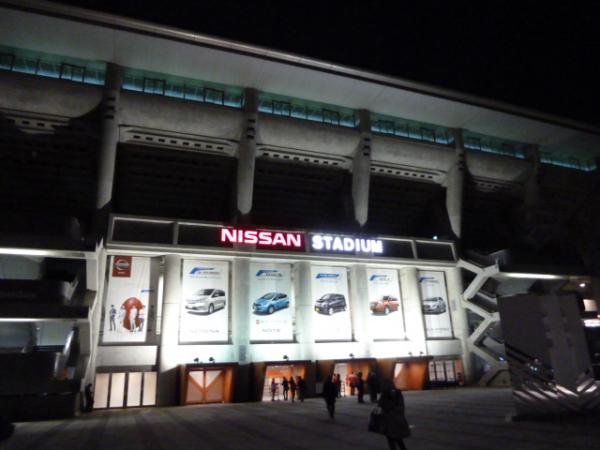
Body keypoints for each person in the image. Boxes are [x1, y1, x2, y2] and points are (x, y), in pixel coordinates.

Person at [378, 380, 410, 450]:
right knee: (398, 439)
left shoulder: (384, 395)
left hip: (389, 421)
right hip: (397, 419)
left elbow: (381, 406)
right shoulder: (398, 394)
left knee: (391, 440)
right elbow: (401, 407)